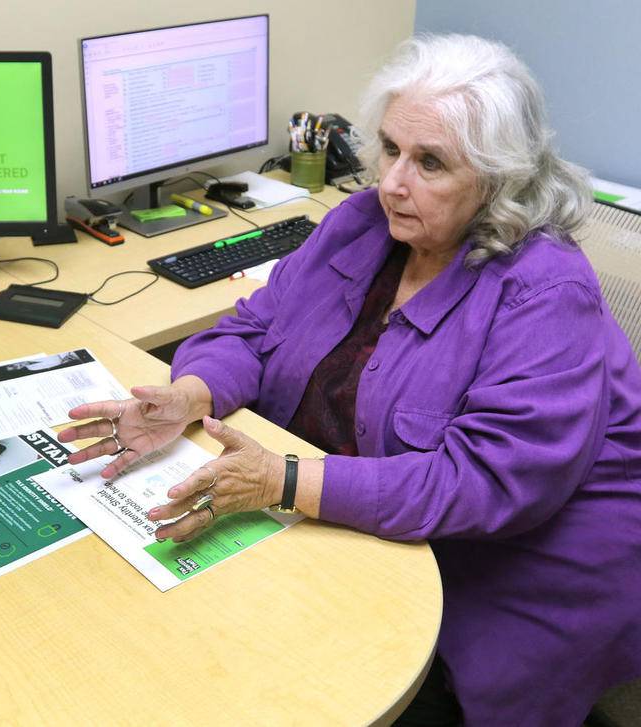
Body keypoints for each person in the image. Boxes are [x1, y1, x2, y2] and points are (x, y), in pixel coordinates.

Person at [58, 34, 641, 726]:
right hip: (360, 517)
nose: (394, 181)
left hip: (513, 565)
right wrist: (193, 393)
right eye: (390, 149)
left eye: (431, 163)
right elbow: (255, 328)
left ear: (496, 178)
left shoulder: (545, 290)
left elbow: (483, 482)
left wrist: (285, 480)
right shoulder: (362, 223)